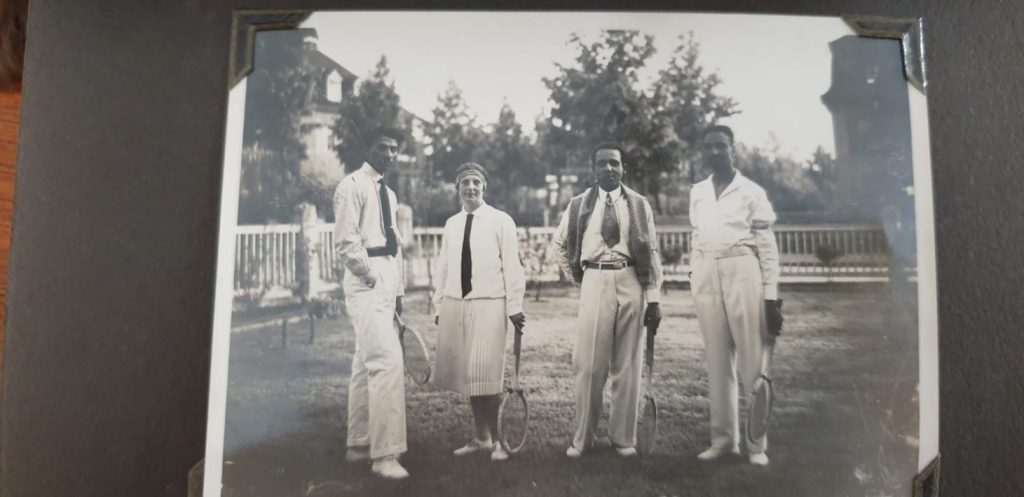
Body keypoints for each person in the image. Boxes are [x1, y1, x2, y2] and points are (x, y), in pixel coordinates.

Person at [553, 142, 663, 458]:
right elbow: (560, 244)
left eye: (614, 163)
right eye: (602, 164)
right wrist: (579, 277)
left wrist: (653, 298)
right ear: (593, 169)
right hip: (595, 278)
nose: (609, 169)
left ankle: (622, 439)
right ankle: (582, 439)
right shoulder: (578, 204)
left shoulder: (639, 204)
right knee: (588, 364)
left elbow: (651, 252)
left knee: (627, 364)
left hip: (632, 279)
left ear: (623, 168)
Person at [689, 125, 784, 466]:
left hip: (743, 270)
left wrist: (771, 296)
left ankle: (756, 445)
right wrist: (695, 274)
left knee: (751, 361)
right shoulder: (698, 192)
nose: (714, 152)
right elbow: (697, 234)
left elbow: (767, 248)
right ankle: (723, 440)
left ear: (733, 149)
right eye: (709, 147)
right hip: (706, 272)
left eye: (721, 146)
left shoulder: (750, 191)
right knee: (717, 360)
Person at [432, 162, 527, 462]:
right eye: (465, 183)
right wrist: (439, 304)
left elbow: (512, 266)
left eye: (476, 182)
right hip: (456, 303)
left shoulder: (501, 221)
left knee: (488, 375)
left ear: (484, 186)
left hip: (490, 302)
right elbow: (444, 266)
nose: (470, 188)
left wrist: (514, 306)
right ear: (457, 188)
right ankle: (481, 438)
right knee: (471, 376)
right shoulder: (451, 224)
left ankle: (499, 442)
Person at [333, 127, 410, 479]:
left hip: (386, 275)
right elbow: (348, 244)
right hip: (366, 279)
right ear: (369, 148)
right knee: (387, 361)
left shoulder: (389, 194)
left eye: (395, 149)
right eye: (383, 148)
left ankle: (359, 444)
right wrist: (371, 277)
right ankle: (385, 456)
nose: (390, 155)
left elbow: (393, 244)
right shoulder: (350, 186)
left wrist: (397, 292)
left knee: (364, 362)